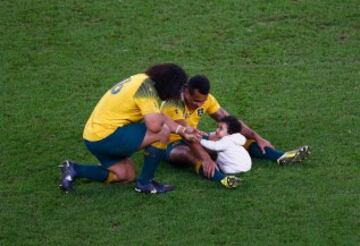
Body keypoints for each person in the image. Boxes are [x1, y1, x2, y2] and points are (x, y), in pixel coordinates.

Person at [59, 63, 198, 194]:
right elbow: (155, 125)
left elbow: (158, 115)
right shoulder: (146, 90)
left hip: (93, 137)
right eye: (178, 88)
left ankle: (74, 169)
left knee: (125, 175)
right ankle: (145, 183)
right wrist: (178, 129)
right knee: (162, 132)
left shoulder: (141, 80)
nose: (176, 94)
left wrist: (183, 130)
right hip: (107, 135)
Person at [161, 74, 310, 183]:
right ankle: (222, 179)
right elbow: (187, 136)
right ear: (186, 91)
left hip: (197, 138)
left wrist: (256, 136)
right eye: (196, 101)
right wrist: (206, 158)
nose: (200, 105)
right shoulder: (173, 104)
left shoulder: (207, 100)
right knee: (189, 153)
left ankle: (280, 156)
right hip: (170, 145)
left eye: (203, 101)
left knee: (231, 137)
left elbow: (230, 123)